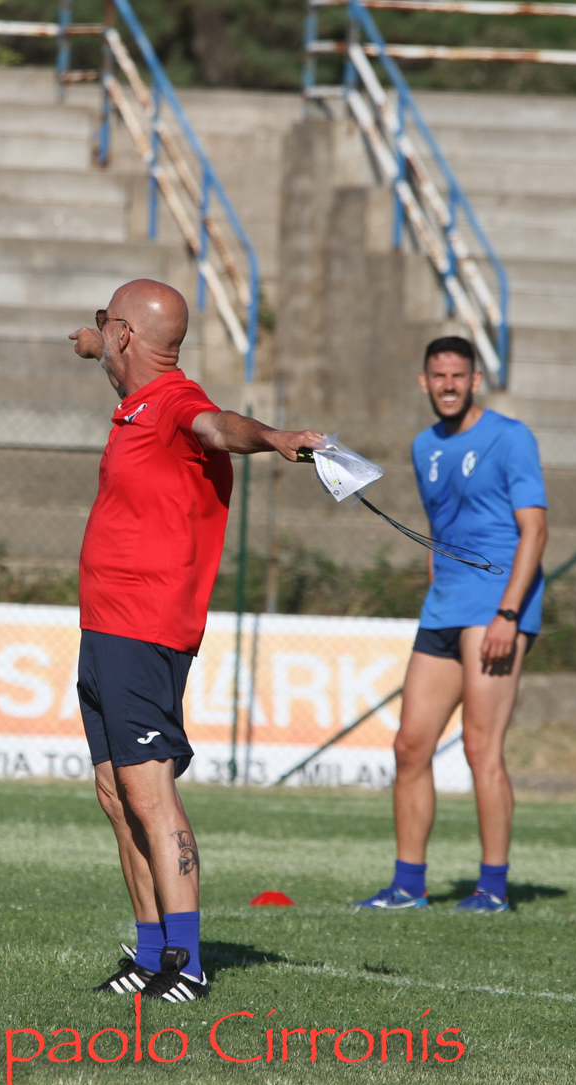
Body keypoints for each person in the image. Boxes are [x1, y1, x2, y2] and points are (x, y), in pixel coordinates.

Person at [69, 279, 323, 1000]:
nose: (98, 333)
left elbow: (217, 426)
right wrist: (91, 343)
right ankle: (151, 953)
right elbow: (121, 367)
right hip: (106, 626)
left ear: (127, 334)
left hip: (144, 628)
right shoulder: (136, 399)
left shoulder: (176, 402)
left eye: (106, 324)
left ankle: (186, 962)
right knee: (116, 795)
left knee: (149, 795)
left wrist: (275, 439)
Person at [357, 335, 548, 915]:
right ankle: (407, 886)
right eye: (438, 376)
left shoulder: (511, 438)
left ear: (475, 381)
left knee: (480, 746)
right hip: (444, 607)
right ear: (424, 381)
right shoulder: (424, 446)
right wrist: (436, 590)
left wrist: (509, 614)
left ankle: (492, 889)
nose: (448, 385)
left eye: (458, 376)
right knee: (410, 745)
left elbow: (535, 531)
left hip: (495, 606)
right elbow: (439, 534)